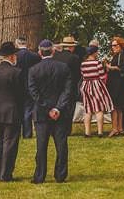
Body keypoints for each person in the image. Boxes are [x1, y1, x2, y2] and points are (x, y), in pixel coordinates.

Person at [29, 39, 73, 184]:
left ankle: (40, 175)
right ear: (53, 51)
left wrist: (48, 108)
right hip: (59, 112)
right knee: (61, 145)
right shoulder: (63, 68)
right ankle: (60, 175)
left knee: (41, 146)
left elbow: (34, 93)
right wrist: (57, 108)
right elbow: (68, 90)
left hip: (42, 113)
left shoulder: (34, 70)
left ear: (39, 52)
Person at [0, 41, 24, 183]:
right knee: (10, 143)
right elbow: (21, 94)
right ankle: (6, 174)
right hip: (11, 110)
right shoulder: (16, 72)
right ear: (11, 56)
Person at [80, 45, 113, 137]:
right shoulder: (97, 63)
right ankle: (100, 132)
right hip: (96, 85)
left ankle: (87, 132)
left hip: (86, 85)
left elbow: (83, 75)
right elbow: (102, 76)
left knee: (88, 110)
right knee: (99, 109)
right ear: (94, 53)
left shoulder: (83, 64)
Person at [52, 36, 82, 129]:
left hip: (56, 85)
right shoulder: (75, 58)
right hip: (71, 85)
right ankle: (67, 128)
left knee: (57, 105)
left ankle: (56, 126)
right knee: (69, 108)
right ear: (71, 47)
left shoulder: (55, 56)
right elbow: (78, 74)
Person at [104, 36, 124, 137]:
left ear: (120, 45)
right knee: (118, 107)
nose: (113, 47)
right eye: (112, 46)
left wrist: (109, 66)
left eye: (115, 45)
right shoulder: (117, 55)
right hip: (116, 83)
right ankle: (119, 128)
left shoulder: (122, 54)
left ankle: (115, 128)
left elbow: (121, 68)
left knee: (114, 107)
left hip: (117, 84)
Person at [15, 37, 41, 139]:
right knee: (28, 109)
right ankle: (27, 132)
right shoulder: (34, 56)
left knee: (18, 109)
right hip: (31, 84)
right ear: (26, 43)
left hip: (18, 85)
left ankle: (18, 132)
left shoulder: (15, 56)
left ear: (17, 44)